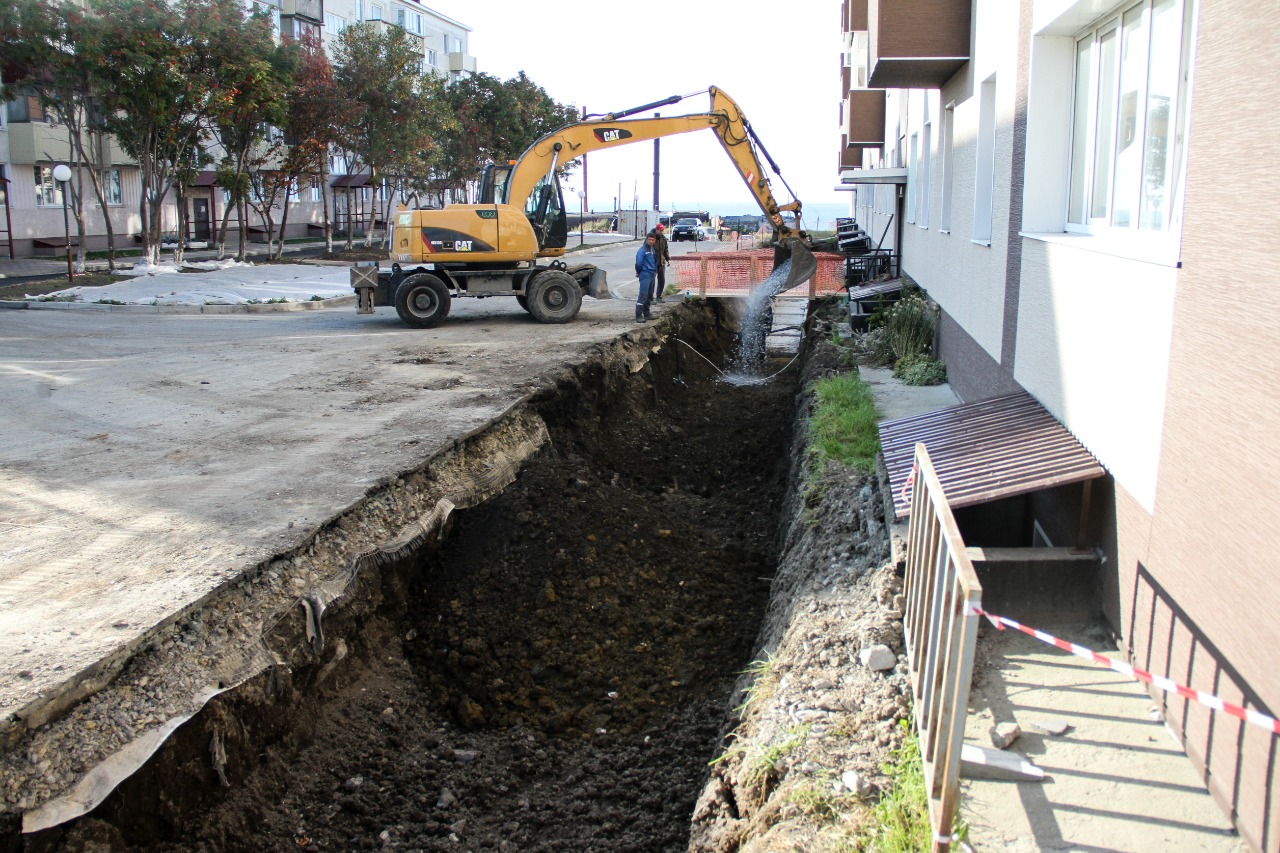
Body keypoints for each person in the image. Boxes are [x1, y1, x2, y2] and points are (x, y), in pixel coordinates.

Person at [634, 233, 658, 322]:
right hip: (645, 274)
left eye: (653, 240)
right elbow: (638, 263)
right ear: (646, 240)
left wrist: (655, 271)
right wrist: (639, 272)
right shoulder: (642, 250)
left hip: (652, 274)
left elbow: (655, 261)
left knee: (649, 295)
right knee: (643, 294)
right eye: (649, 239)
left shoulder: (652, 249)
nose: (651, 241)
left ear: (655, 241)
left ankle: (647, 314)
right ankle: (638, 315)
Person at [648, 223, 670, 302]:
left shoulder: (663, 238)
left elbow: (665, 249)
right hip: (652, 263)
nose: (661, 232)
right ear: (656, 229)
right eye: (660, 230)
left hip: (661, 262)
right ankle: (650, 298)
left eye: (662, 230)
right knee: (651, 281)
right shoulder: (650, 238)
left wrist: (667, 258)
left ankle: (659, 296)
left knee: (662, 280)